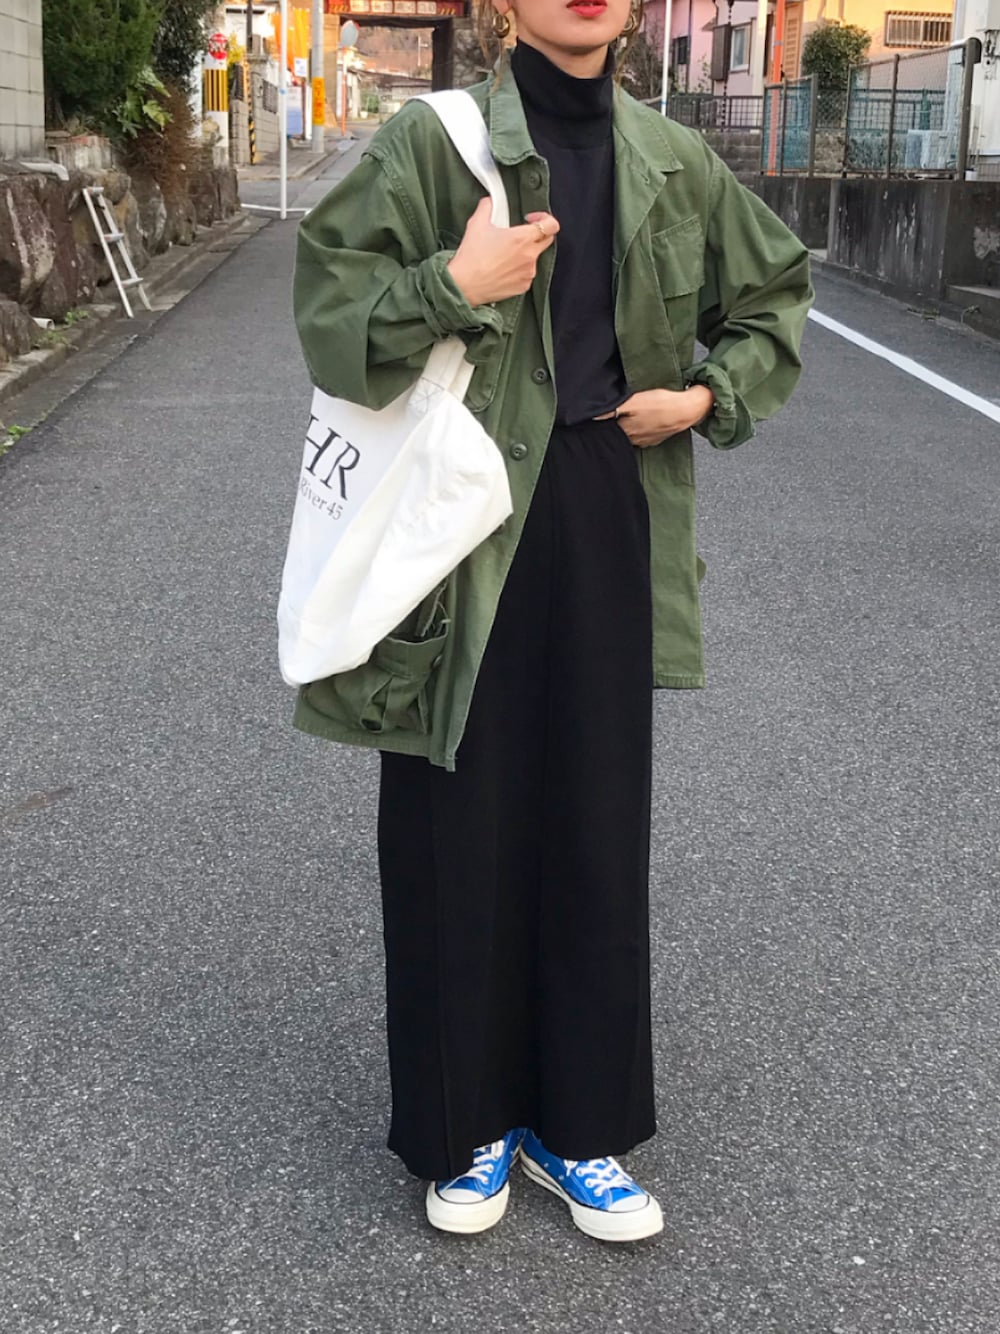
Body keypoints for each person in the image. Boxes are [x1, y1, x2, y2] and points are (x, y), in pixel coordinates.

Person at [292, 0, 813, 1243]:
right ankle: (463, 1122)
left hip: (602, 505)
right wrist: (450, 284)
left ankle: (578, 1127)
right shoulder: (434, 143)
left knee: (592, 821)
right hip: (458, 524)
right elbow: (329, 322)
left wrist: (702, 396)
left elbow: (774, 292)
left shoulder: (672, 156)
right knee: (454, 821)